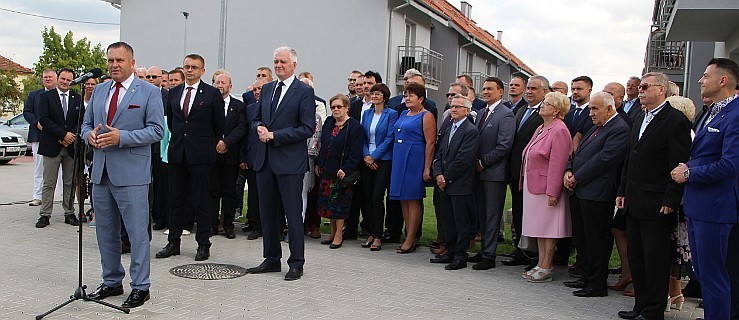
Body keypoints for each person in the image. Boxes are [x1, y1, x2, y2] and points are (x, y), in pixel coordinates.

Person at [81, 41, 164, 308]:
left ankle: (141, 286)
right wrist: (89, 135)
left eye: (119, 60)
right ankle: (112, 281)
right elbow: (85, 124)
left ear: (131, 62)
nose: (114, 65)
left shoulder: (149, 92)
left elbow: (157, 131)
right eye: (110, 60)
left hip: (132, 174)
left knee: (137, 233)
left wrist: (122, 137)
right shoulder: (100, 90)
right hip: (101, 173)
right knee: (105, 231)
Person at [615, 72, 691, 320]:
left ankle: (653, 310)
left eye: (646, 86)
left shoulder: (675, 120)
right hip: (634, 198)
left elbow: (677, 163)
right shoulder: (639, 116)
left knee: (654, 258)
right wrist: (622, 191)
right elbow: (630, 158)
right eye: (640, 87)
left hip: (657, 202)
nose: (640, 90)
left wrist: (671, 199)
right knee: (636, 255)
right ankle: (641, 305)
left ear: (662, 89)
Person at [672, 58, 739, 320]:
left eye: (705, 75)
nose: (700, 80)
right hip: (698, 205)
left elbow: (730, 165)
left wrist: (690, 173)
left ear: (723, 80)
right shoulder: (712, 111)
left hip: (715, 207)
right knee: (702, 272)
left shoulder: (734, 114)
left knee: (714, 275)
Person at [246, 46, 315, 281]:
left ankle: (296, 262)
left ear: (294, 64)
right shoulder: (267, 89)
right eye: (275, 61)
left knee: (292, 215)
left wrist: (275, 135)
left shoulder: (303, 92)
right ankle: (271, 259)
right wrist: (259, 128)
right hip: (265, 162)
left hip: (289, 163)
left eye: (283, 62)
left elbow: (307, 128)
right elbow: (255, 118)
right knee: (267, 213)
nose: (278, 66)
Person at [156, 53, 225, 262]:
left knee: (201, 200)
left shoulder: (212, 94)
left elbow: (219, 125)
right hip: (178, 153)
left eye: (194, 67)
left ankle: (203, 244)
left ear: (202, 71)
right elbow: (171, 122)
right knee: (175, 200)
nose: (190, 70)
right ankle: (173, 242)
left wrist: (206, 144)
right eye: (187, 66)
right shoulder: (174, 92)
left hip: (201, 155)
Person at [563, 92, 630, 297]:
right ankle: (586, 275)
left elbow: (604, 159)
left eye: (595, 109)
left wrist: (578, 176)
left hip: (598, 193)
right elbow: (579, 153)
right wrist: (569, 169)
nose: (590, 113)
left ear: (609, 109)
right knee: (583, 238)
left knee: (596, 240)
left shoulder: (619, 129)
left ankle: (597, 283)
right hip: (581, 190)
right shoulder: (596, 127)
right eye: (590, 108)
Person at [519, 91, 572, 282]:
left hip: (547, 188)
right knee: (539, 227)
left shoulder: (559, 130)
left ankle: (547, 265)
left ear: (557, 110)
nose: (542, 105)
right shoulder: (542, 127)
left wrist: (553, 191)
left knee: (549, 229)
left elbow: (558, 164)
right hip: (534, 186)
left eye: (547, 104)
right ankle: (540, 262)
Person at [430, 94, 479, 270]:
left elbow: (463, 160)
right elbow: (440, 152)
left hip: (459, 184)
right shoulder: (449, 126)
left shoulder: (470, 131)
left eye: (458, 106)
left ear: (467, 110)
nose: (454, 109)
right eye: (452, 106)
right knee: (448, 220)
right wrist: (438, 174)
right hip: (444, 182)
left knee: (461, 222)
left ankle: (460, 255)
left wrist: (446, 177)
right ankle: (449, 251)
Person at [502, 76, 546, 268]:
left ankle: (535, 255)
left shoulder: (545, 113)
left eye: (534, 89)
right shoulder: (521, 111)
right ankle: (520, 250)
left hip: (534, 174)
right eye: (528, 88)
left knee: (534, 215)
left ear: (545, 92)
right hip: (516, 172)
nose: (529, 92)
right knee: (519, 212)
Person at [473, 77, 515, 270]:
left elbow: (504, 146)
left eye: (490, 88)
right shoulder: (481, 112)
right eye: (484, 88)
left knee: (492, 214)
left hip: (494, 174)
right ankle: (483, 250)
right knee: (482, 213)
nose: (486, 92)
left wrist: (483, 162)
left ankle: (489, 255)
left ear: (500, 92)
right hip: (478, 173)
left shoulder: (505, 114)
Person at [389, 82, 436, 253]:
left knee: (413, 198)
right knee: (403, 198)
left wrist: (426, 168)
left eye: (411, 95)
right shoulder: (403, 113)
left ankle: (411, 238)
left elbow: (430, 143)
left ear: (421, 98)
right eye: (405, 95)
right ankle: (408, 233)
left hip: (414, 158)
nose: (407, 98)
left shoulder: (426, 116)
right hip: (399, 157)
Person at [35, 68, 83, 228]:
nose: (65, 82)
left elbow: (81, 121)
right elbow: (44, 120)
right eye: (62, 79)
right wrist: (63, 135)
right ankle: (45, 214)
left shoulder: (77, 98)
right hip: (52, 145)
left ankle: (69, 213)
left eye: (69, 80)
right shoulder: (46, 97)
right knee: (49, 182)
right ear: (58, 78)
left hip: (70, 147)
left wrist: (71, 136)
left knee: (69, 182)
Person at [315, 94, 364, 249]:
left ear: (346, 107)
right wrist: (319, 163)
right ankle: (331, 233)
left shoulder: (354, 126)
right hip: (326, 170)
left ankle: (338, 235)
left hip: (342, 172)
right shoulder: (329, 122)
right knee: (328, 205)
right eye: (333, 107)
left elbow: (356, 152)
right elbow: (323, 144)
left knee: (339, 206)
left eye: (339, 107)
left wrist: (346, 168)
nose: (336, 110)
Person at [360, 83, 397, 251]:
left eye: (378, 93)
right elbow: (363, 137)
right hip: (367, 159)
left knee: (377, 197)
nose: (374, 95)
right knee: (367, 197)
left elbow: (390, 138)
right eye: (373, 93)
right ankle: (371, 232)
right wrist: (367, 157)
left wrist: (374, 157)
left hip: (383, 160)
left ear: (385, 96)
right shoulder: (367, 114)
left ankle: (378, 235)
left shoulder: (392, 114)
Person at [210, 72, 246, 239]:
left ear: (230, 86)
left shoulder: (238, 106)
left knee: (229, 192)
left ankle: (228, 225)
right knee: (212, 191)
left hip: (231, 155)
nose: (220, 85)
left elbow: (241, 128)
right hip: (212, 155)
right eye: (217, 82)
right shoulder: (208, 104)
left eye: (223, 83)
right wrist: (217, 143)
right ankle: (212, 224)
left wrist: (226, 143)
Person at [24, 69, 57, 207]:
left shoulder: (61, 95)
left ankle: (61, 196)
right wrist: (37, 123)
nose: (48, 79)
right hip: (39, 136)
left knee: (60, 170)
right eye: (45, 77)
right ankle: (37, 196)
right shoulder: (34, 95)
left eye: (50, 77)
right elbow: (27, 112)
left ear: (56, 78)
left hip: (57, 137)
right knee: (39, 168)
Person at [239, 78, 266, 240]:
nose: (256, 92)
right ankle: (256, 226)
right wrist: (242, 157)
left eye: (260, 89)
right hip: (252, 157)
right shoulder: (248, 109)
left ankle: (272, 226)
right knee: (254, 194)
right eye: (254, 89)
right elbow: (243, 134)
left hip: (271, 158)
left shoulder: (275, 108)